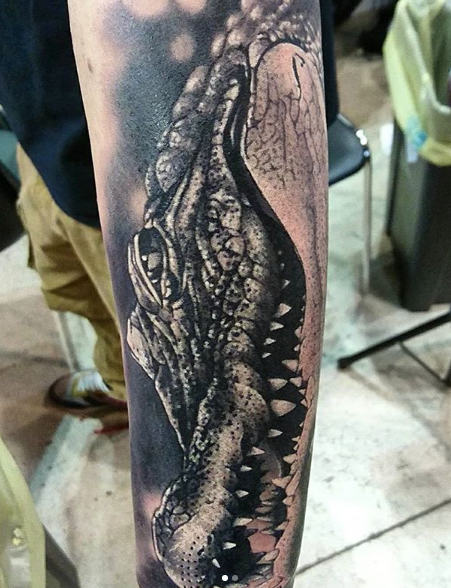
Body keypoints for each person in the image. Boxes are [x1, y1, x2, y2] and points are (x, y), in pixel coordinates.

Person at [69, 1, 329, 588]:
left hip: (120, 169)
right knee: (108, 328)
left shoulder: (224, 79)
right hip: (56, 132)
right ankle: (113, 389)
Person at [0, 0, 126, 408]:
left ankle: (137, 397)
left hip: (125, 160)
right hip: (38, 123)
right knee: (68, 282)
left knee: (156, 330)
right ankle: (118, 381)